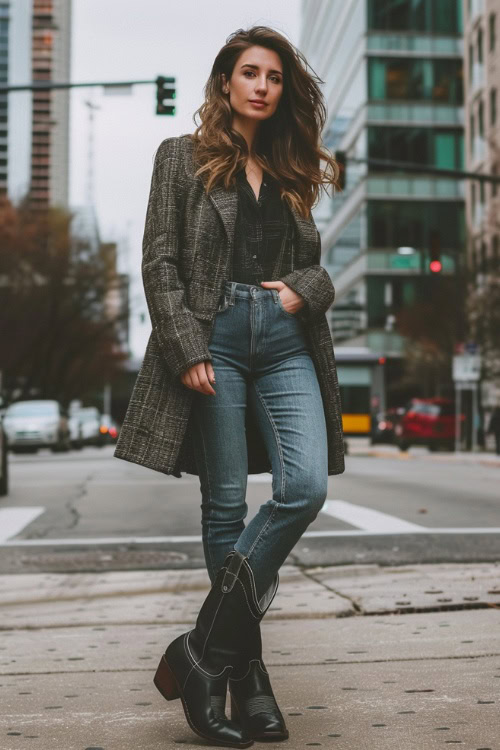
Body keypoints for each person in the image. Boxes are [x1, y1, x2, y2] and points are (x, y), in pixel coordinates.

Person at [114, 25, 345, 747]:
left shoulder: (291, 166)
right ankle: (247, 678)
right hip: (212, 336)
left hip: (282, 339)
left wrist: (301, 293)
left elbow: (315, 264)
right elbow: (160, 260)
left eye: (274, 78)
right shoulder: (180, 158)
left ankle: (203, 653)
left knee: (303, 487)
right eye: (250, 73)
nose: (262, 87)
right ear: (225, 82)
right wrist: (184, 346)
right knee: (223, 507)